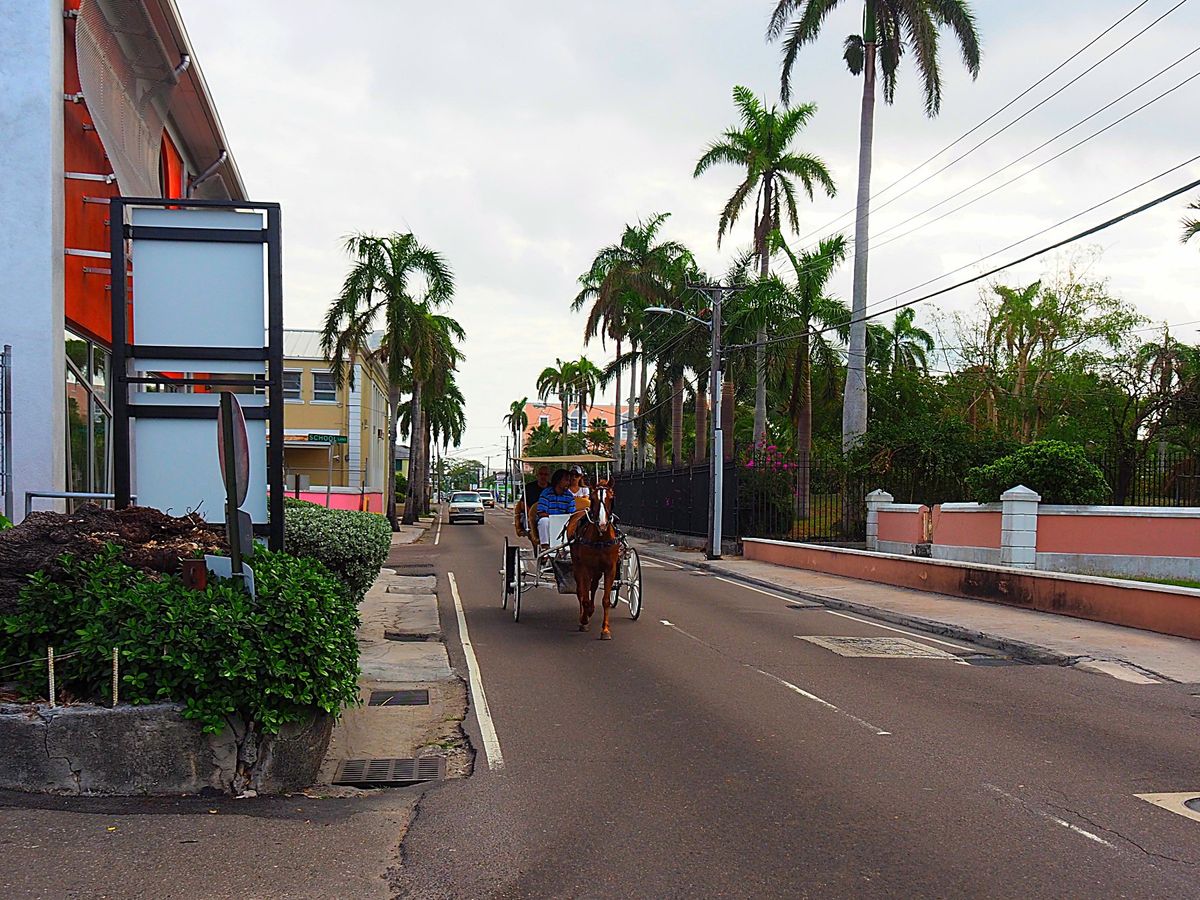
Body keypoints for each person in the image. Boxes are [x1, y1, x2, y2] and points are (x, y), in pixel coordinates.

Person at [536, 468, 576, 550]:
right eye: (566, 480)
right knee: (543, 521)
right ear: (558, 480)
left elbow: (572, 514)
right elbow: (541, 512)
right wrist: (555, 519)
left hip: (565, 523)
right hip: (549, 522)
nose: (568, 483)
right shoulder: (546, 493)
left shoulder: (569, 496)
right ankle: (545, 547)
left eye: (569, 480)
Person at [513, 463, 551, 547]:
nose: (543, 477)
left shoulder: (551, 488)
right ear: (537, 475)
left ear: (548, 476)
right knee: (531, 525)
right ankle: (537, 546)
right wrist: (532, 515)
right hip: (529, 515)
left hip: (547, 515)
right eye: (541, 474)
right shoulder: (529, 487)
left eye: (545, 474)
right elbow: (523, 505)